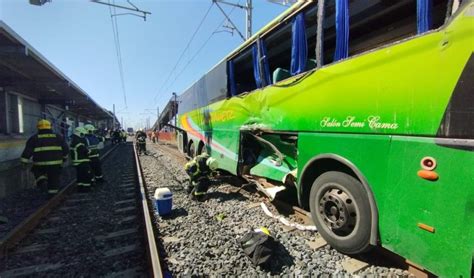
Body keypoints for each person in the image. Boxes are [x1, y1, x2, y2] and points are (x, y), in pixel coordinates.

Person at [20, 119, 69, 194]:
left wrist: (24, 162)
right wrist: (64, 158)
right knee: (54, 179)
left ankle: (42, 181)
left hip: (39, 164)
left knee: (37, 172)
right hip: (55, 164)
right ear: (50, 127)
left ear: (38, 128)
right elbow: (65, 149)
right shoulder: (58, 137)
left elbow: (27, 151)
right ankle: (52, 195)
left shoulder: (34, 138)